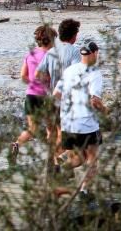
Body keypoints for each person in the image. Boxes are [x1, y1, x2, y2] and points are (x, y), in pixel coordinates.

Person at [54, 41, 106, 198]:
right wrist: (105, 111)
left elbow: (56, 94)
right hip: (86, 123)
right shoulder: (94, 72)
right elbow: (95, 101)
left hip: (68, 122)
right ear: (94, 53)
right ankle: (85, 190)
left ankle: (61, 171)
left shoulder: (69, 70)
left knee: (78, 157)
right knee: (92, 157)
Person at [35, 18, 81, 161]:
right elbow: (76, 72)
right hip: (66, 100)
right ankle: (58, 162)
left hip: (50, 98)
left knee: (52, 133)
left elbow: (38, 75)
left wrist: (49, 82)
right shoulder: (74, 51)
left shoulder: (51, 52)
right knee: (63, 133)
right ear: (74, 36)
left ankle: (53, 161)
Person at [10, 24, 57, 160]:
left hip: (31, 95)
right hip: (46, 96)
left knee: (32, 129)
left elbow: (23, 75)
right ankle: (52, 158)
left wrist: (32, 83)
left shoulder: (30, 54)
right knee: (51, 128)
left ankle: (16, 144)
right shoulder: (51, 56)